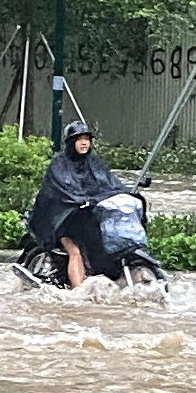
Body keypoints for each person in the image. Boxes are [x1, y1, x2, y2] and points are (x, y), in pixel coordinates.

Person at [26, 122, 123, 290]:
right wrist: (78, 200)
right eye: (80, 139)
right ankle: (78, 294)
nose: (84, 143)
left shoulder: (94, 163)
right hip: (60, 222)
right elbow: (60, 190)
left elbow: (109, 184)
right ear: (71, 142)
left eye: (87, 139)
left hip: (86, 220)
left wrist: (125, 194)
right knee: (75, 251)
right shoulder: (59, 164)